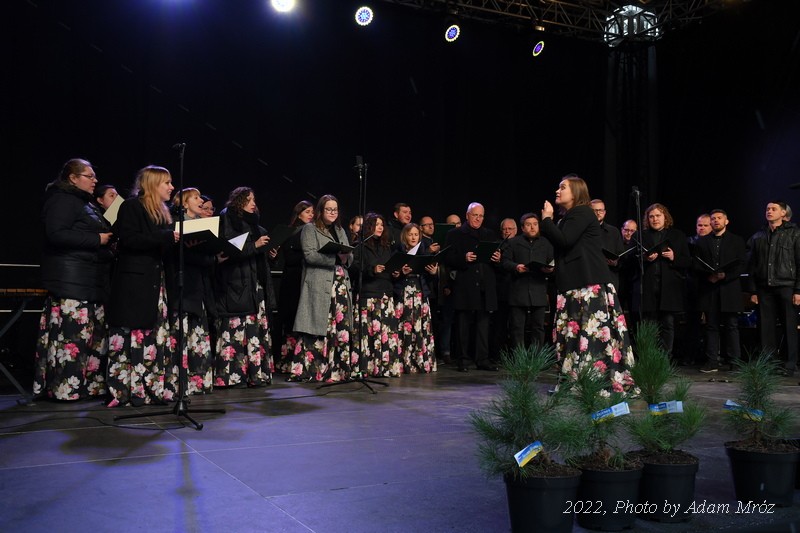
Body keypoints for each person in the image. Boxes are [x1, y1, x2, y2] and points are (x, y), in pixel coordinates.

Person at [539, 174, 634, 392]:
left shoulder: (582, 212)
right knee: (575, 337)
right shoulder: (569, 217)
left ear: (576, 192)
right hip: (575, 285)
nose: (557, 191)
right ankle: (576, 381)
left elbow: (565, 241)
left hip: (587, 286)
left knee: (590, 336)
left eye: (563, 187)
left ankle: (595, 382)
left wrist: (546, 220)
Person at [34, 158, 114, 400]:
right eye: (89, 176)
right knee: (71, 337)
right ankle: (65, 388)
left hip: (90, 280)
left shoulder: (84, 202)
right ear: (73, 178)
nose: (95, 180)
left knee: (90, 337)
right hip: (71, 281)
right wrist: (97, 240)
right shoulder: (62, 199)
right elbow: (56, 234)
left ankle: (87, 386)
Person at [106, 165, 179, 407]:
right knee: (134, 334)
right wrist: (166, 237)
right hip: (135, 284)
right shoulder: (132, 206)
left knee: (153, 336)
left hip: (156, 282)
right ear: (153, 184)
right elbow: (129, 239)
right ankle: (129, 390)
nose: (171, 187)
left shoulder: (163, 212)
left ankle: (152, 387)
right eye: (166, 182)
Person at [214, 187, 275, 388]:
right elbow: (228, 251)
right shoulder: (227, 219)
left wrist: (268, 254)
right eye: (249, 199)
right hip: (236, 284)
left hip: (255, 285)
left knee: (254, 332)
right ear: (238, 201)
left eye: (254, 199)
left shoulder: (256, 225)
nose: (253, 203)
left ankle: (256, 374)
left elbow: (256, 256)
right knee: (235, 331)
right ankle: (232, 376)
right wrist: (254, 246)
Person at [289, 194, 355, 382]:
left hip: (340, 283)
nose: (332, 212)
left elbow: (349, 255)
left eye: (335, 209)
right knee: (318, 326)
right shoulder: (310, 229)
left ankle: (338, 371)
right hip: (319, 284)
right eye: (329, 209)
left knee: (339, 328)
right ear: (321, 210)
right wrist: (334, 258)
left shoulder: (340, 230)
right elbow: (309, 255)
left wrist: (346, 258)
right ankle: (315, 370)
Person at [167, 187, 216, 394]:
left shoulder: (201, 224)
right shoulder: (176, 224)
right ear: (184, 203)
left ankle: (197, 381)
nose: (200, 200)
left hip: (198, 285)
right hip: (183, 285)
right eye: (195, 198)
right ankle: (180, 382)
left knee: (197, 334)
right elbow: (176, 255)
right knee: (182, 333)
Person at [444, 202, 502, 372]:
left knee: (483, 325)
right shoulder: (454, 234)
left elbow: (496, 259)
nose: (478, 218)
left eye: (481, 216)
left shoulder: (489, 234)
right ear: (467, 215)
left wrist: (498, 258)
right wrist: (463, 258)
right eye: (475, 215)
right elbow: (447, 258)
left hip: (485, 285)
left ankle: (482, 359)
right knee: (463, 325)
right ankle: (463, 360)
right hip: (465, 286)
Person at [746, 201, 800, 377]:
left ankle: (790, 364)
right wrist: (753, 290)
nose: (769, 211)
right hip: (764, 288)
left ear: (783, 213)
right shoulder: (759, 236)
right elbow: (752, 265)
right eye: (767, 209)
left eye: (773, 209)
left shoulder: (794, 233)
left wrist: (798, 290)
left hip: (786, 286)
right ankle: (769, 363)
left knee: (789, 326)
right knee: (765, 327)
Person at [694, 209, 746, 373]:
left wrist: (726, 275)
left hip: (729, 288)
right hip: (710, 288)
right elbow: (696, 264)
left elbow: (741, 264)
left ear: (726, 221)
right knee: (711, 326)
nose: (716, 220)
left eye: (719, 218)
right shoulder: (702, 242)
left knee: (731, 325)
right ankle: (712, 361)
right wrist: (708, 276)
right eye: (713, 218)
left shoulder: (736, 240)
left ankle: (735, 361)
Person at [638, 203, 691, 360]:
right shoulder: (641, 236)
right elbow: (630, 259)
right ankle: (649, 358)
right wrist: (645, 258)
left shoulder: (677, 235)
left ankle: (665, 359)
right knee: (649, 324)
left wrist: (674, 257)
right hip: (648, 287)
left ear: (665, 217)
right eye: (651, 216)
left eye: (658, 216)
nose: (655, 219)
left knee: (668, 323)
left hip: (669, 288)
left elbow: (687, 261)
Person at [352, 213, 402, 377]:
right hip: (369, 294)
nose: (380, 227)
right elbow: (354, 268)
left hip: (385, 293)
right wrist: (372, 270)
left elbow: (390, 267)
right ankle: (366, 367)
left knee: (385, 333)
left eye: (381, 224)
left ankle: (384, 367)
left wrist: (396, 273)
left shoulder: (386, 247)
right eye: (376, 224)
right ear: (368, 227)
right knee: (368, 334)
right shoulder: (360, 246)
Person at [501, 213, 554, 349]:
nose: (532, 227)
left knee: (538, 327)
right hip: (518, 290)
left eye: (535, 224)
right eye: (529, 225)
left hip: (538, 290)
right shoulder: (513, 243)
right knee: (517, 328)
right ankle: (519, 357)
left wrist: (550, 269)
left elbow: (552, 261)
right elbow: (505, 262)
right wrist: (516, 267)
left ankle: (536, 357)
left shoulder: (545, 243)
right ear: (522, 228)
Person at [276, 200, 315, 373]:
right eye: (307, 212)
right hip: (293, 281)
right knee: (291, 320)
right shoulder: (291, 232)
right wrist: (308, 255)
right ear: (299, 214)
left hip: (306, 280)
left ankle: (304, 360)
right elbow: (289, 259)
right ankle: (288, 361)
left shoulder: (313, 231)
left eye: (312, 212)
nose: (311, 215)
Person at [394, 222, 438, 373]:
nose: (413, 237)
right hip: (404, 293)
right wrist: (401, 272)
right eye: (410, 234)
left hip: (420, 293)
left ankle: (420, 361)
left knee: (420, 328)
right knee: (404, 327)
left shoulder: (424, 252)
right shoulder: (399, 251)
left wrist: (433, 273)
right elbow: (393, 275)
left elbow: (429, 278)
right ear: (404, 236)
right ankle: (403, 362)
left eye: (416, 234)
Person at [591, 198, 625, 289]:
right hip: (590, 278)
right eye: (595, 210)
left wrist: (615, 262)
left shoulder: (613, 231)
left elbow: (621, 255)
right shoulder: (584, 231)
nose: (598, 213)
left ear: (605, 212)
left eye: (600, 210)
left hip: (609, 278)